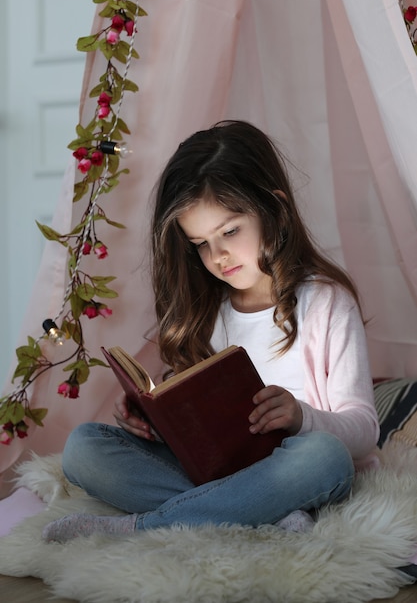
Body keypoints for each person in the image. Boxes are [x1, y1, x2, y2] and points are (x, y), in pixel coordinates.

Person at [42, 120, 380, 543]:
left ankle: (142, 529)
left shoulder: (326, 303)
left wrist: (300, 417)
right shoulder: (206, 312)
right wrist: (153, 420)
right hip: (221, 473)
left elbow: (365, 432)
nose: (217, 255)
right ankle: (265, 514)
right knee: (85, 447)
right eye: (200, 243)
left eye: (230, 232)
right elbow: (199, 432)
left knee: (324, 456)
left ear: (274, 209)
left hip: (300, 471)